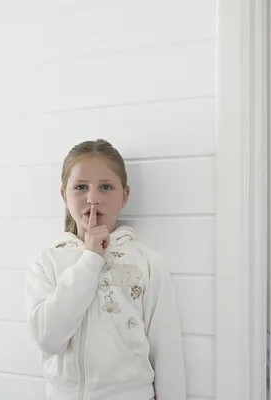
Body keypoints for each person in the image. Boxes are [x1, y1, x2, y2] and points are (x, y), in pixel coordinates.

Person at [25, 139, 186, 400]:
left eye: (106, 187)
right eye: (80, 187)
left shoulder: (146, 262)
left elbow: (167, 351)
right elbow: (47, 338)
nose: (93, 198)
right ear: (64, 195)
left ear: (124, 195)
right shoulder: (45, 261)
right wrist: (90, 259)